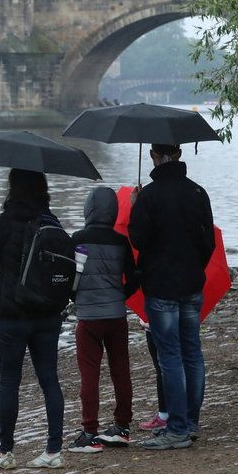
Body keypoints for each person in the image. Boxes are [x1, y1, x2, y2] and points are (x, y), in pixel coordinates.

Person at [128, 143, 214, 450]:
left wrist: (135, 205)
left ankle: (176, 429)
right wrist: (194, 269)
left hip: (162, 286)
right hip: (192, 285)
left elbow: (137, 238)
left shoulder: (150, 196)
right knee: (192, 352)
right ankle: (190, 423)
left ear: (153, 155)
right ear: (178, 154)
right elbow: (208, 243)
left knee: (170, 357)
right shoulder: (198, 193)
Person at [0, 168, 66, 469]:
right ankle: (54, 449)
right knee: (49, 379)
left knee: (9, 381)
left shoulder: (4, 222)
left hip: (12, 313)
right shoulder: (52, 221)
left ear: (13, 187)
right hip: (47, 314)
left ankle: (6, 453)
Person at [66, 186, 140, 453]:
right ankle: (121, 427)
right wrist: (121, 295)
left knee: (90, 375)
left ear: (88, 209)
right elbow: (134, 277)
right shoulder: (121, 241)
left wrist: (76, 297)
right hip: (116, 316)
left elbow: (69, 279)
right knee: (121, 370)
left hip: (89, 319)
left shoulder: (77, 238)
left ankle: (90, 433)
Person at [137, 320, 168, 432]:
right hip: (185, 317)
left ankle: (164, 415)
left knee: (163, 368)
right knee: (188, 364)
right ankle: (190, 417)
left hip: (156, 322)